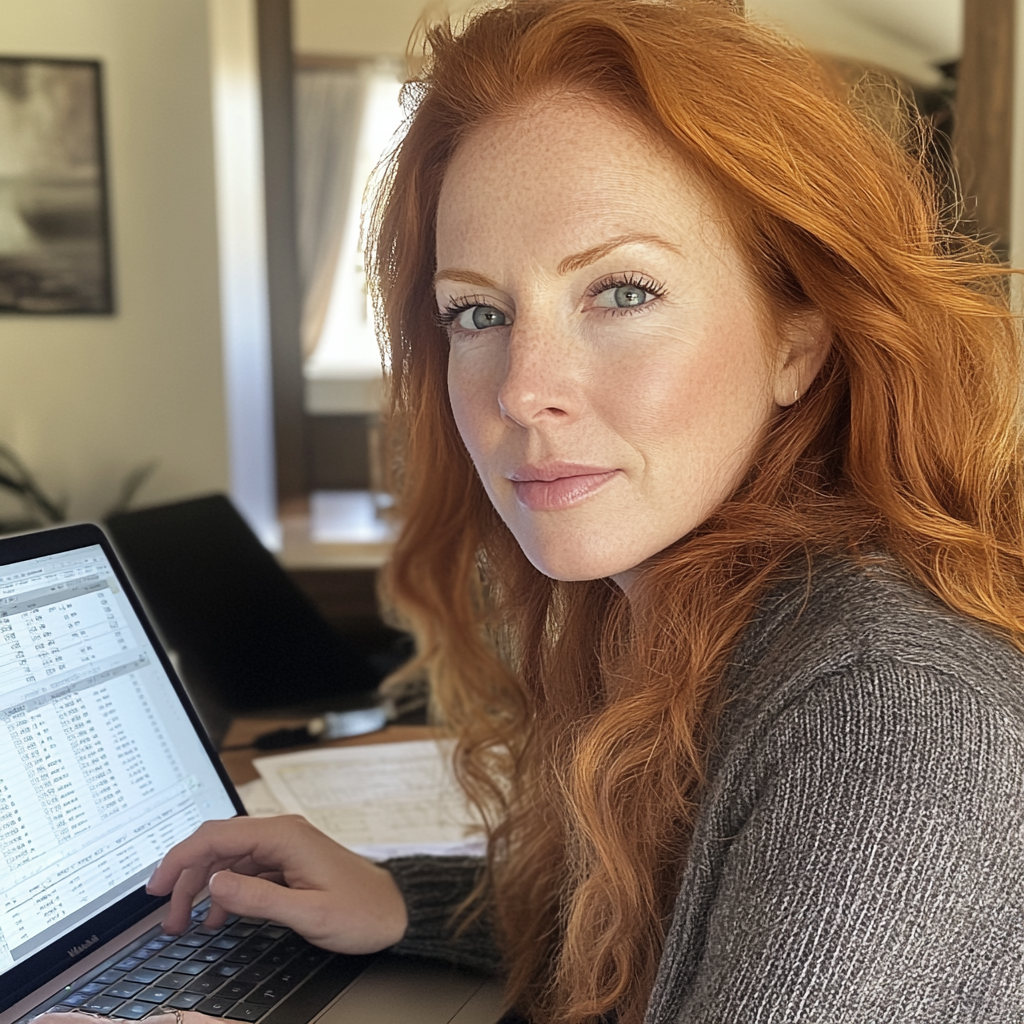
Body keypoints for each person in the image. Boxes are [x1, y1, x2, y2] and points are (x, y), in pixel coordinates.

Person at [43, 1, 1024, 1022]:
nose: (521, 388)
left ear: (796, 341)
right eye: (478, 312)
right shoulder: (676, 618)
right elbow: (661, 917)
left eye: (622, 292)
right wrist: (394, 898)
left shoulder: (884, 708)